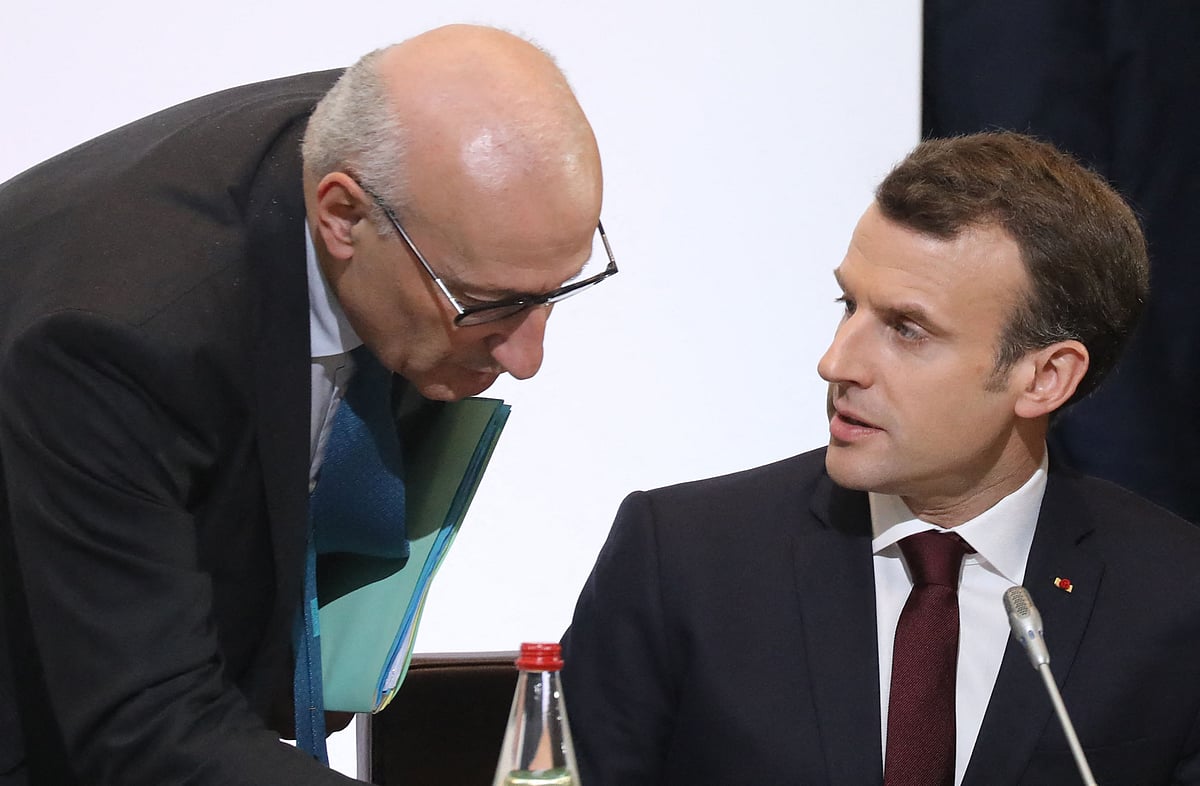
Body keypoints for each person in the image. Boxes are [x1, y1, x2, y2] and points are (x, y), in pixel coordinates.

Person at [0, 24, 612, 785]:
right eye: (490, 304)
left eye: (557, 291)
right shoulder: (115, 339)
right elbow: (146, 727)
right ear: (342, 216)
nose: (529, 359)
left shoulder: (402, 152)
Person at [561, 131, 1200, 785]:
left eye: (907, 329)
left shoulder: (1174, 599)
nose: (835, 362)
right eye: (849, 304)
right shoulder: (680, 559)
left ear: (1044, 379)